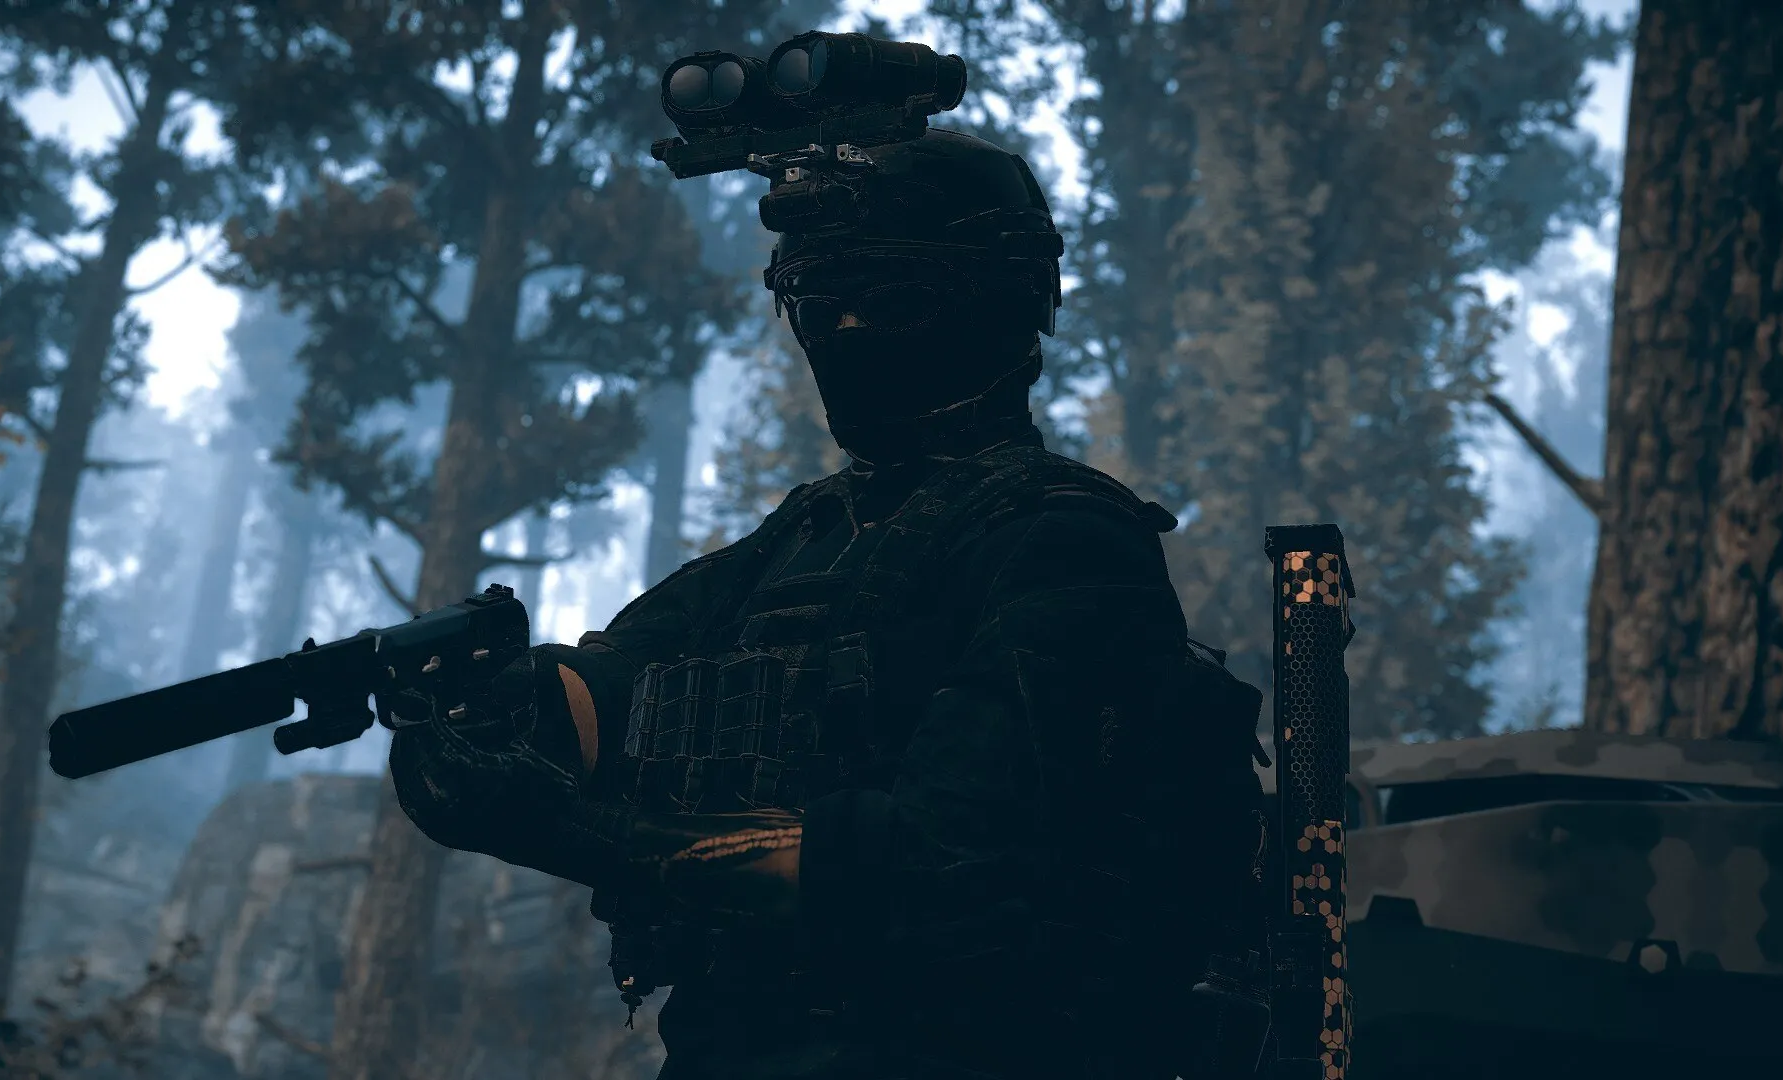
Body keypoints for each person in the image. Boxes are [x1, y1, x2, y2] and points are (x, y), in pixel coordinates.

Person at [387, 123, 1268, 1079]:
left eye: (886, 299)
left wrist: (580, 834)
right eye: (818, 302)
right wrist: (494, 716)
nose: (845, 333)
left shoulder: (1064, 543)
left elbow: (937, 869)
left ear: (994, 301)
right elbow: (621, 681)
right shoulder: (814, 531)